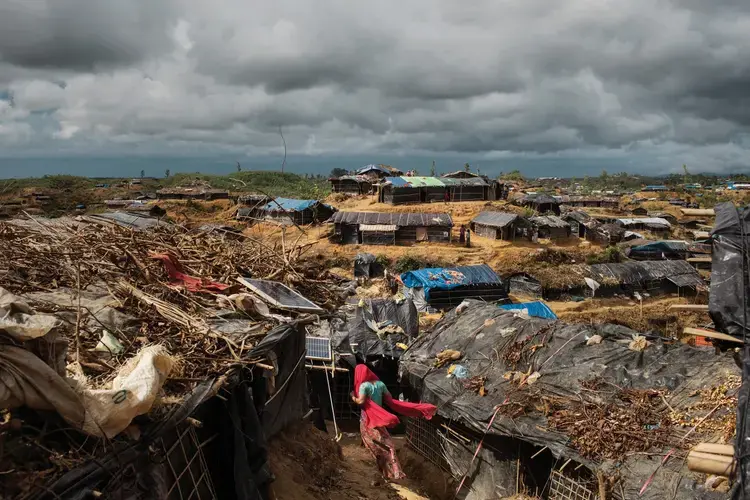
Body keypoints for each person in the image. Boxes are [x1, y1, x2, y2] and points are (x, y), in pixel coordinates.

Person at [352, 365, 436, 480]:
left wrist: (352, 396)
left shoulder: (363, 386)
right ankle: (394, 471)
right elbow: (389, 399)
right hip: (380, 418)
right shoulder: (380, 384)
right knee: (385, 443)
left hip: (368, 419)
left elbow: (360, 401)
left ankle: (386, 473)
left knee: (374, 445)